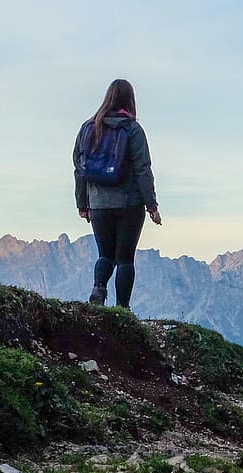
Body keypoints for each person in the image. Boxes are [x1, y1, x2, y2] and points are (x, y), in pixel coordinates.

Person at [73, 78, 162, 309]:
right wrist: (151, 205)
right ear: (130, 100)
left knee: (105, 255)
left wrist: (83, 203)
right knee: (124, 259)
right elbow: (143, 169)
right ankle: (123, 308)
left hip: (98, 204)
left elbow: (79, 168)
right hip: (129, 204)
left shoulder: (88, 128)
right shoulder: (132, 130)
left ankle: (98, 289)